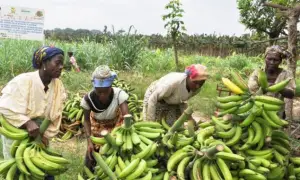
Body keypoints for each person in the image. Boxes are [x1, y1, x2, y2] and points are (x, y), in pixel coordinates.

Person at [0, 46, 67, 180]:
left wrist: (44, 134)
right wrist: (27, 122)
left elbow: (55, 112)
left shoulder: (58, 84)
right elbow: (4, 107)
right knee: (19, 167)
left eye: (62, 63)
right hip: (17, 130)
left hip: (40, 132)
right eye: (57, 62)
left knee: (41, 168)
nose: (61, 67)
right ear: (43, 63)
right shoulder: (23, 81)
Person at [81, 65, 130, 172]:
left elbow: (126, 116)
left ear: (111, 86)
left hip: (116, 127)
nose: (102, 95)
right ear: (94, 87)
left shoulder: (119, 95)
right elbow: (86, 121)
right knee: (91, 157)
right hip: (96, 128)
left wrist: (126, 135)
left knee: (115, 156)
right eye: (99, 92)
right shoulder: (87, 99)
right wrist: (89, 141)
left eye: (105, 92)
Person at [143, 64, 208, 126]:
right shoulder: (172, 84)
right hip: (154, 95)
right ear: (188, 77)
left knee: (172, 123)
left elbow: (182, 100)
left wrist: (190, 119)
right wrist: (150, 122)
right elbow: (152, 99)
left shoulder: (197, 89)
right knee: (153, 122)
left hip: (171, 100)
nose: (197, 86)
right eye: (195, 82)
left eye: (201, 83)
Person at [248, 45, 296, 118]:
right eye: (269, 59)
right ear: (265, 58)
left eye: (276, 60)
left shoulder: (286, 74)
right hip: (256, 109)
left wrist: (278, 87)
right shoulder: (257, 73)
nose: (272, 62)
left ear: (280, 61)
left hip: (277, 112)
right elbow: (251, 89)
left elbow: (291, 94)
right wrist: (264, 88)